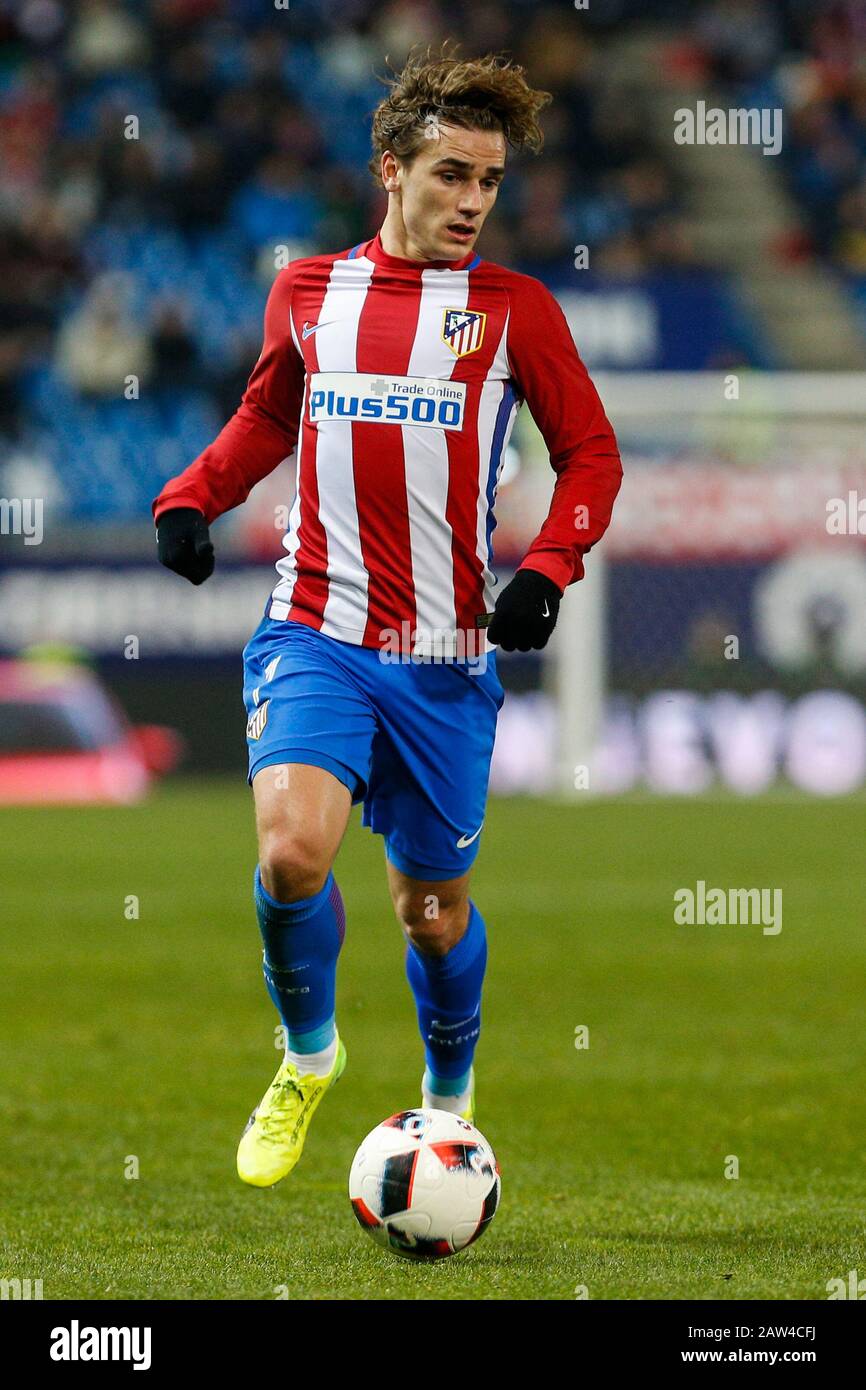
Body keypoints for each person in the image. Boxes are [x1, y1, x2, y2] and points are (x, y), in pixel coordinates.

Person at [152, 44, 622, 1189]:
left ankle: (445, 1102)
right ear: (390, 169)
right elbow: (268, 417)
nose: (470, 201)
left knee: (430, 912)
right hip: (317, 626)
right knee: (292, 849)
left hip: (447, 657)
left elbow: (590, 457)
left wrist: (549, 567)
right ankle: (307, 1056)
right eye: (451, 174)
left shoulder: (515, 312)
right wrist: (190, 497)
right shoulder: (309, 291)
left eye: (489, 181)